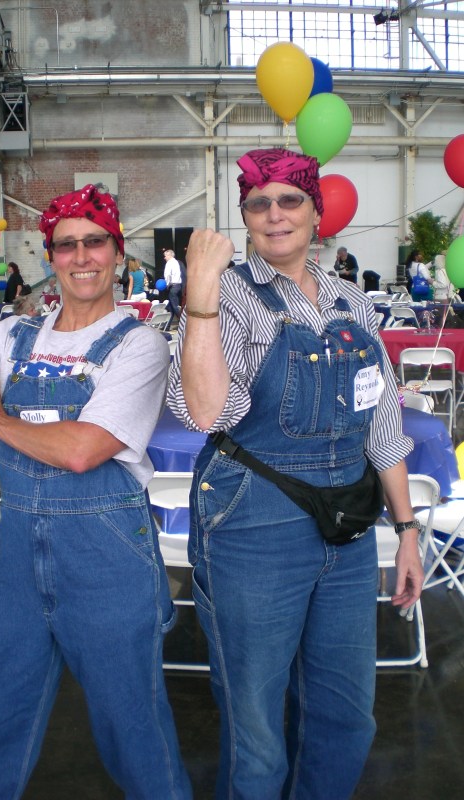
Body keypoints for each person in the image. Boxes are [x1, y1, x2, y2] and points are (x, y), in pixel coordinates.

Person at [0, 184, 192, 800]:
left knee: (134, 732)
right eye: (67, 245)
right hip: (19, 562)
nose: (82, 257)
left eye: (95, 243)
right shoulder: (10, 337)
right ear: (50, 257)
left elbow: (84, 449)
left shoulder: (139, 343)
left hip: (107, 562)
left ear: (118, 252)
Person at [167, 148, 423, 800]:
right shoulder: (225, 293)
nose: (274, 215)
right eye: (259, 203)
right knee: (256, 729)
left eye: (290, 201)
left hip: (347, 527)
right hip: (253, 522)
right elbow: (204, 411)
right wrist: (198, 295)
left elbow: (381, 419)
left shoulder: (351, 302)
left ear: (316, 212)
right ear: (245, 216)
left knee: (346, 715)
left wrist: (408, 528)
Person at [163, 249, 183, 323]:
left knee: (174, 306)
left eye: (165, 256)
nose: (164, 258)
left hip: (173, 286)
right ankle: (167, 325)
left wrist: (167, 284)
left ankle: (183, 321)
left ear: (169, 255)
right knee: (171, 307)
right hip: (178, 286)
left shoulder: (169, 263)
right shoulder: (176, 262)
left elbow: (167, 274)